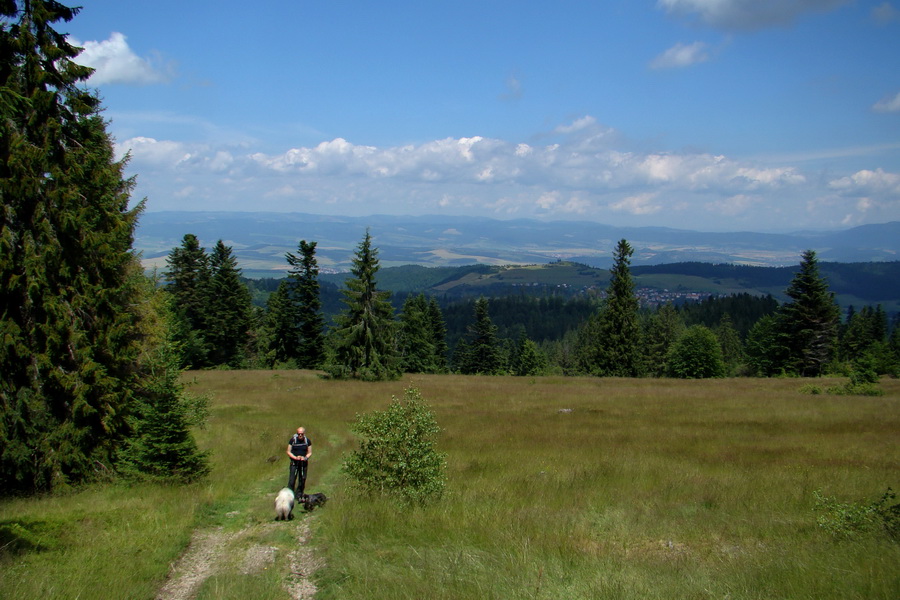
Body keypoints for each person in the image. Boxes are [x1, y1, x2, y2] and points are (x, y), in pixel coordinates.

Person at [286, 426, 312, 497]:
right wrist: (295, 457)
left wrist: (305, 457)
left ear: (304, 434)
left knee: (302, 478)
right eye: (299, 434)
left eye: (302, 434)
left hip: (303, 463)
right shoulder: (292, 440)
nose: (300, 435)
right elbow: (288, 451)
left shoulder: (307, 441)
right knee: (292, 479)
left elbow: (310, 452)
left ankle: (299, 494)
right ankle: (289, 494)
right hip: (294, 463)